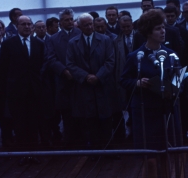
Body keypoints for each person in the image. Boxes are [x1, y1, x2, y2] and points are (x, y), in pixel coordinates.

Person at [120, 9, 182, 178]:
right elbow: (124, 80)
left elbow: (179, 81)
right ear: (148, 32)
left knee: (165, 156)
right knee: (149, 159)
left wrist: (175, 89)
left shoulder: (171, 55)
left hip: (166, 112)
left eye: (163, 27)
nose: (162, 31)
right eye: (157, 28)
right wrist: (137, 83)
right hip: (145, 113)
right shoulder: (136, 56)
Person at [0, 15, 44, 165]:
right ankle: (22, 154)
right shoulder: (8, 44)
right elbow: (4, 68)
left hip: (34, 91)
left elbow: (41, 66)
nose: (26, 26)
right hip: (16, 92)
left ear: (32, 26)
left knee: (33, 123)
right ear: (17, 26)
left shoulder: (38, 44)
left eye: (28, 24)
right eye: (23, 24)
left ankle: (33, 153)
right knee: (19, 124)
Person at [66, 13, 115, 149]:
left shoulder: (105, 40)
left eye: (90, 24)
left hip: (102, 85)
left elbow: (110, 61)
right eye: (85, 25)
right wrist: (86, 76)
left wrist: (98, 76)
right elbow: (70, 64)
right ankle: (94, 150)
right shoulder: (73, 43)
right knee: (89, 120)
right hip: (84, 87)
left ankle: (109, 149)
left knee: (106, 118)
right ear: (79, 26)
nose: (89, 27)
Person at [45, 9, 81, 148]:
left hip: (80, 80)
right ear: (60, 22)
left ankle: (84, 142)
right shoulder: (53, 39)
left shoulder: (80, 34)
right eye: (66, 20)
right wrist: (64, 70)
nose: (69, 22)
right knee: (67, 114)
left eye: (71, 19)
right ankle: (70, 142)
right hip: (63, 82)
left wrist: (79, 73)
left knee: (82, 113)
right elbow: (50, 58)